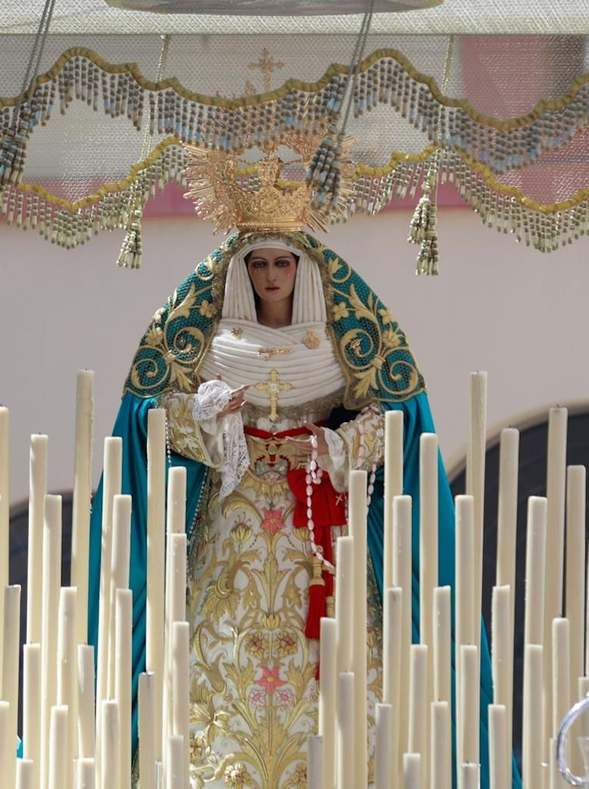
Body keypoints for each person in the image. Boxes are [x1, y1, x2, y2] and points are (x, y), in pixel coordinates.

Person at [90, 200, 507, 787]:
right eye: (257, 264)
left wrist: (337, 446)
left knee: (333, 667)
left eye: (280, 263)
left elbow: (394, 422)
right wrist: (211, 415)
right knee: (220, 661)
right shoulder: (213, 342)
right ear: (241, 271)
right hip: (231, 526)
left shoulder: (338, 342)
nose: (269, 276)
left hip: (318, 529)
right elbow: (151, 415)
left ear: (302, 268)